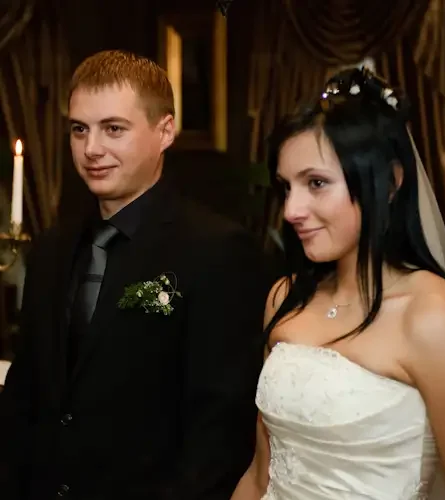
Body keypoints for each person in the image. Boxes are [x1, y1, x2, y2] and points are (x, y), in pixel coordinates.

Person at [0, 50, 272, 500]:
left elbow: (219, 428)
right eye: (79, 129)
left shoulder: (216, 250)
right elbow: (26, 394)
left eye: (113, 129)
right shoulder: (51, 248)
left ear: (165, 130)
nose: (91, 149)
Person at [231, 67, 445, 499]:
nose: (291, 210)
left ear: (390, 182)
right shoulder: (285, 298)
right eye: (286, 187)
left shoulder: (432, 317)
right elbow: (259, 476)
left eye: (316, 183)